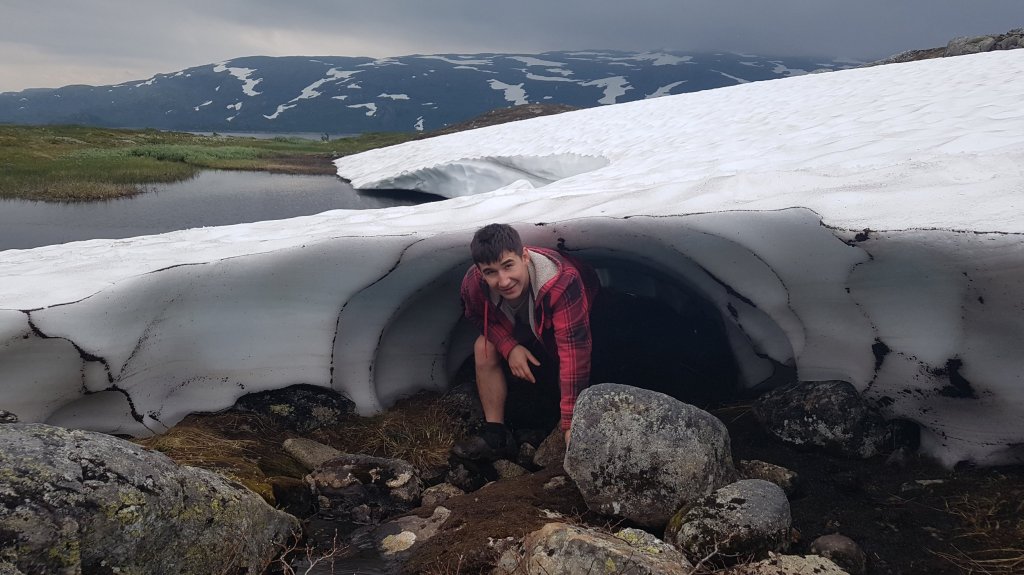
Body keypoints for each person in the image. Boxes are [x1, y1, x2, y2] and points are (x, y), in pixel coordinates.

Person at [453, 223, 600, 461]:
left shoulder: (563, 281)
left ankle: (569, 408)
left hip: (580, 307)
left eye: (508, 266)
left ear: (524, 256)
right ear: (480, 272)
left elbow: (574, 352)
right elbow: (475, 315)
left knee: (566, 353)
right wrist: (509, 347)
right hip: (521, 320)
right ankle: (496, 436)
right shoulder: (474, 283)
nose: (503, 281)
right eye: (491, 272)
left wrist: (570, 424)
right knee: (484, 347)